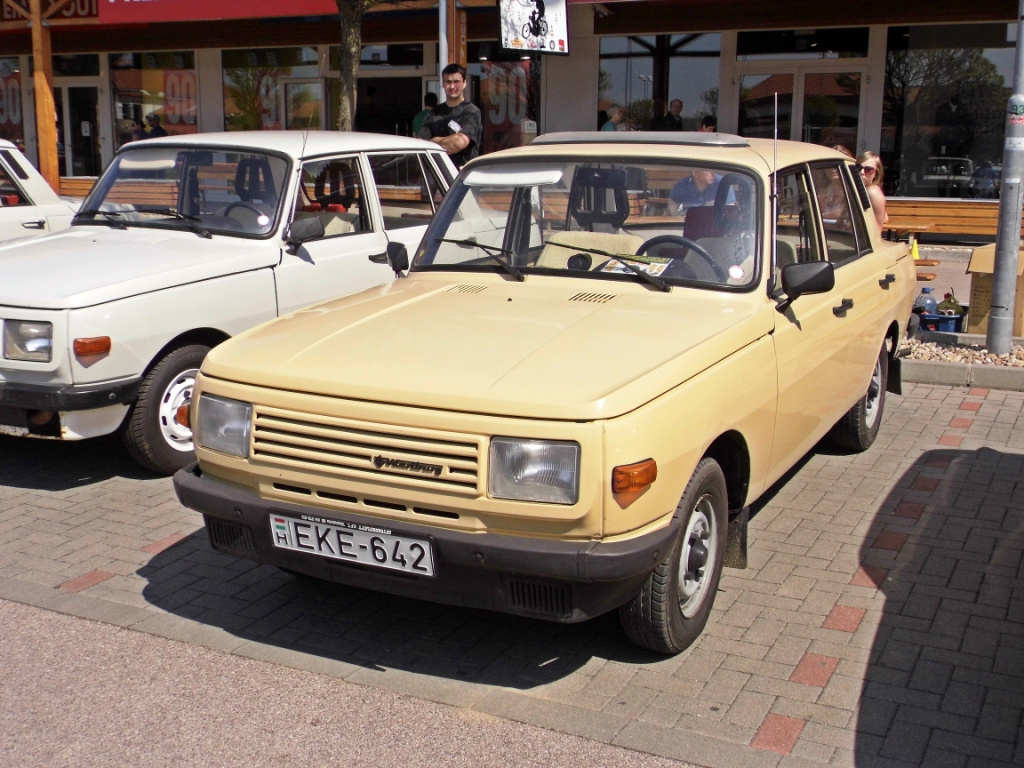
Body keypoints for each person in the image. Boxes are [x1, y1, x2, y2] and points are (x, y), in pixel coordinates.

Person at [417, 63, 482, 169]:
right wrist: (450, 139)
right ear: (442, 84)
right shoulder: (434, 112)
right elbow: (421, 145)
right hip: (437, 176)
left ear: (464, 83)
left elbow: (458, 143)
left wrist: (433, 141)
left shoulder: (471, 112)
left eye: (456, 82)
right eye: (448, 82)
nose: (452, 86)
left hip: (463, 176)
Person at [858, 151, 888, 228]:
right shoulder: (860, 189)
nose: (861, 172)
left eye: (868, 169)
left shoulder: (873, 192)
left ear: (876, 173)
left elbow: (877, 227)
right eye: (858, 167)